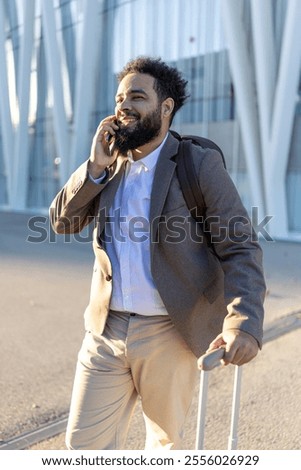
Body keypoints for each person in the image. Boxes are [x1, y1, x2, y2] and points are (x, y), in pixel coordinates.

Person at [50, 56, 266, 450]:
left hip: (170, 331)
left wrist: (243, 323)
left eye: (137, 96)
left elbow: (240, 247)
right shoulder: (109, 164)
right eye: (119, 99)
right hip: (105, 331)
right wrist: (94, 167)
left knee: (164, 448)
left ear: (165, 107)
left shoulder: (196, 163)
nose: (124, 106)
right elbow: (62, 222)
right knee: (83, 447)